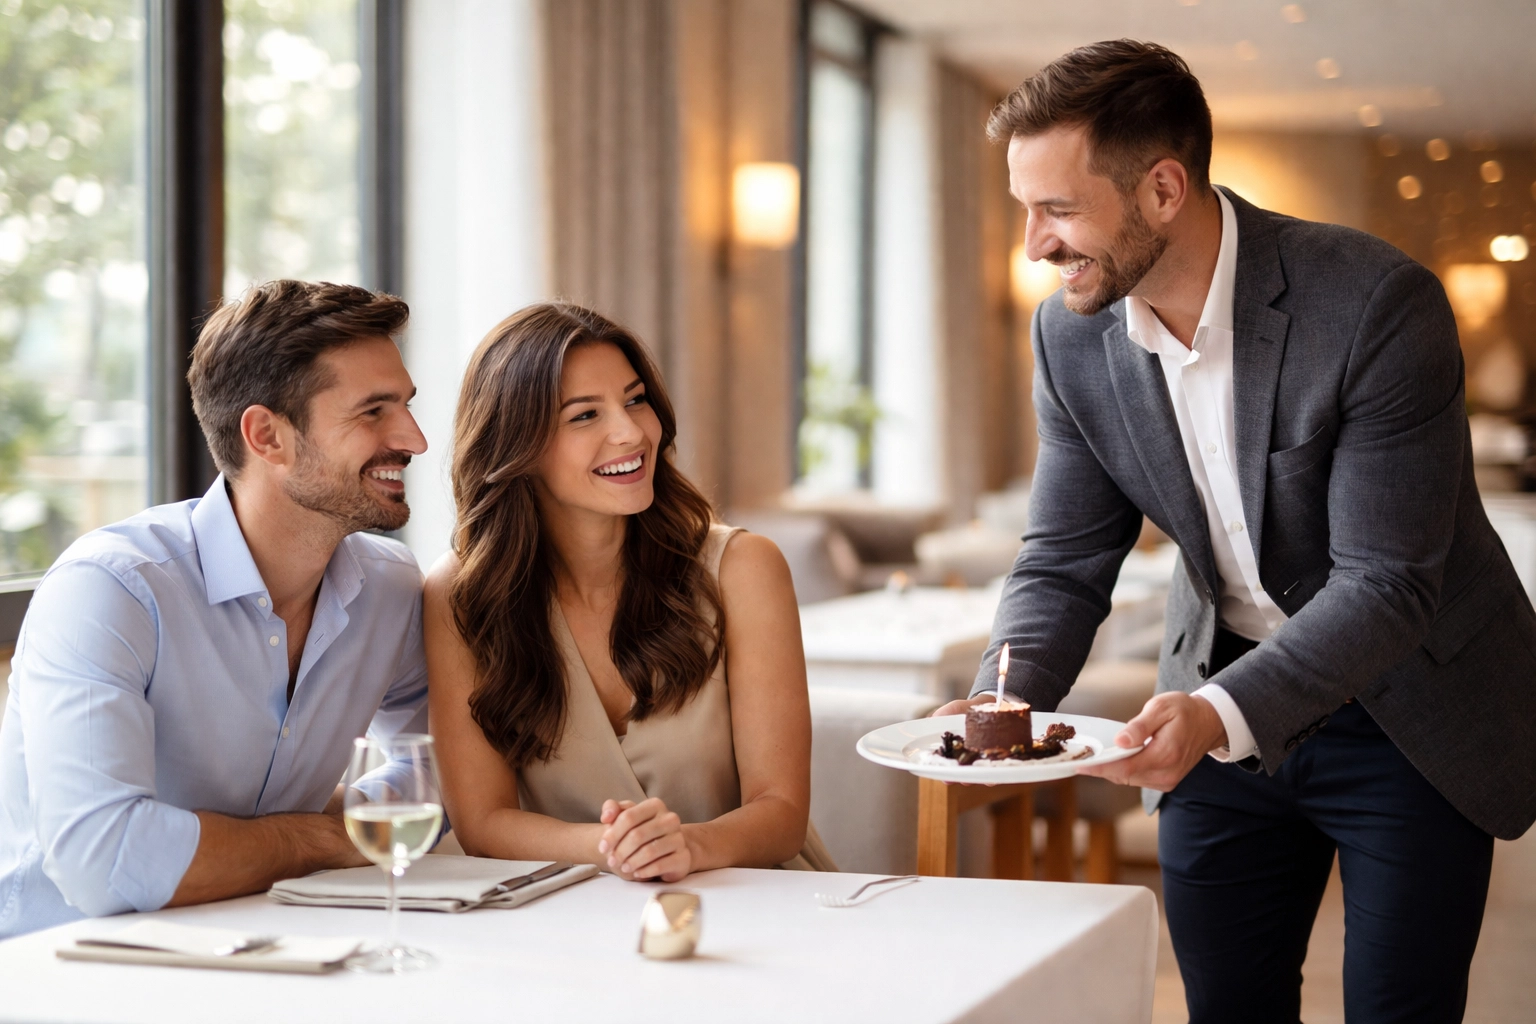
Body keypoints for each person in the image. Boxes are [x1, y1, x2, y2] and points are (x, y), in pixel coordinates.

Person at [934, 40, 1536, 1024]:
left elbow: (1386, 583)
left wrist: (1216, 713)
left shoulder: (1376, 305)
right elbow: (1065, 556)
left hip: (1406, 708)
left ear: (1163, 189)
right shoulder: (1070, 335)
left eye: (1058, 208)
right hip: (1216, 695)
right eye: (1025, 208)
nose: (1034, 244)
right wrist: (1000, 701)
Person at [0, 280, 431, 938]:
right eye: (374, 411)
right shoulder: (113, 589)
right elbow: (104, 862)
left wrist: (319, 834)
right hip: (61, 962)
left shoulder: (390, 590)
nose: (415, 438)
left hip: (268, 944)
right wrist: (318, 840)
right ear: (267, 436)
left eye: (405, 405)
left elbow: (436, 771)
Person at [425, 302, 833, 882]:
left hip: (761, 896)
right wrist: (615, 848)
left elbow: (782, 814)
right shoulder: (460, 595)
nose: (632, 432)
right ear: (517, 446)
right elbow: (484, 821)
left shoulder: (743, 568)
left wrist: (687, 847)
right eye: (585, 415)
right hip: (578, 914)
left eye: (636, 399)